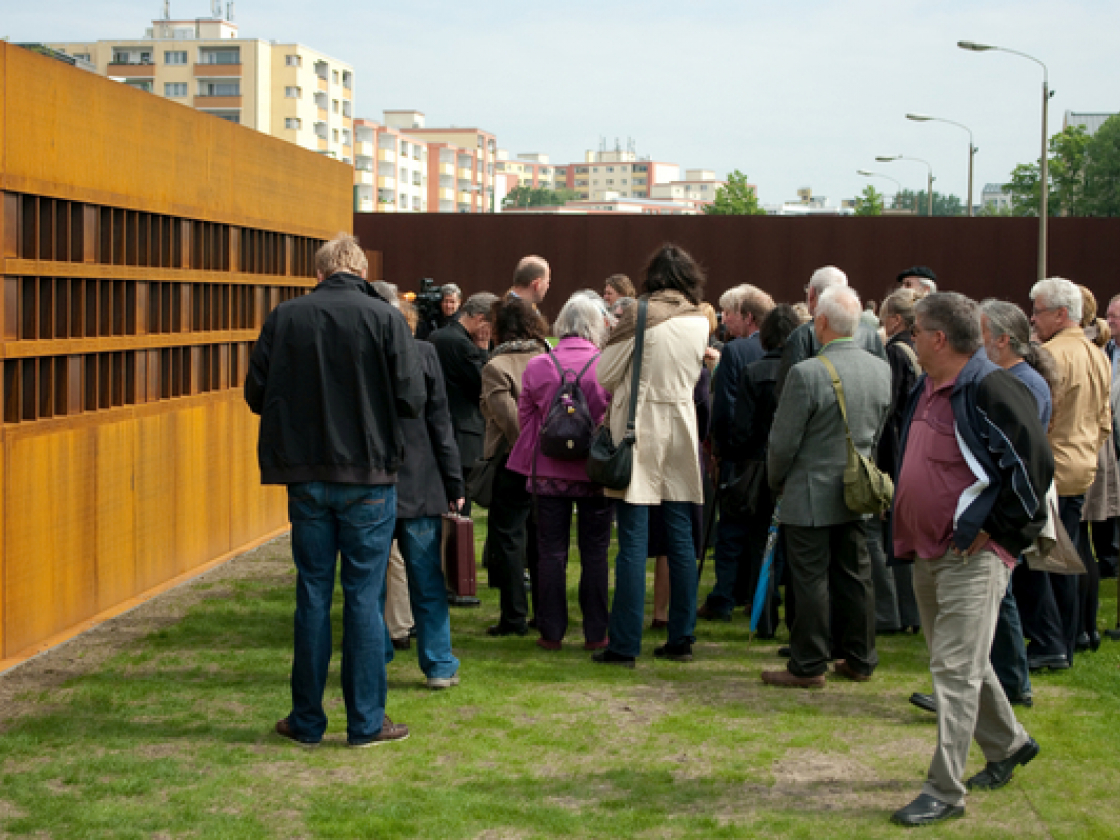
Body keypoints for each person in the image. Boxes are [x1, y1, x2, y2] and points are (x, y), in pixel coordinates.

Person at [245, 233, 424, 748]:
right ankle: (366, 722)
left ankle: (307, 719)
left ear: (319, 272)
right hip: (368, 476)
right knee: (364, 600)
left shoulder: (286, 317)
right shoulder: (386, 318)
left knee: (313, 594)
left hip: (306, 474)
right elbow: (411, 398)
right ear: (362, 272)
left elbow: (256, 393)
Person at [890, 292, 1052, 827]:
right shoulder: (928, 384)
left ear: (940, 338)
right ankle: (1008, 744)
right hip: (930, 550)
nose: (909, 337)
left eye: (916, 330)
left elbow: (1034, 470)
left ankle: (945, 791)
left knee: (954, 672)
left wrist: (995, 530)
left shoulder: (989, 388)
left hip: (972, 559)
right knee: (964, 663)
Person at [909, 299, 1055, 717]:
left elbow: (1028, 463)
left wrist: (996, 526)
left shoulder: (1006, 384)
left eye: (981, 337)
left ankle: (1009, 686)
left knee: (996, 609)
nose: (974, 345)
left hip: (990, 531)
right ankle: (1007, 729)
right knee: (980, 628)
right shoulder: (972, 382)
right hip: (966, 530)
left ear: (1003, 341)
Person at [761, 286, 891, 689]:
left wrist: (776, 481)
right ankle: (860, 658)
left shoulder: (807, 373)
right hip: (858, 489)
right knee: (855, 575)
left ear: (820, 322)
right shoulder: (880, 370)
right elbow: (878, 430)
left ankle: (808, 663)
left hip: (809, 492)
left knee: (811, 579)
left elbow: (782, 444)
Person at [593, 243, 710, 667]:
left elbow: (605, 375)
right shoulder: (700, 320)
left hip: (639, 429)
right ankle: (681, 635)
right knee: (680, 539)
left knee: (633, 541)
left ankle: (624, 644)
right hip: (680, 427)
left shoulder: (640, 316)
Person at [507, 293, 613, 651]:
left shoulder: (539, 365)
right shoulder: (606, 365)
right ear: (596, 326)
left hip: (548, 471)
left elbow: (525, 419)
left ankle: (551, 631)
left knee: (551, 551)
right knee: (595, 552)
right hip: (594, 472)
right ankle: (596, 632)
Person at [1028, 276, 1110, 668]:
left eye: (1038, 312)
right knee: (1073, 552)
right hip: (1083, 463)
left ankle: (1053, 641)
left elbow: (1040, 417)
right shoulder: (1098, 352)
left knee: (1049, 559)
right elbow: (1105, 420)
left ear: (1062, 314)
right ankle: (1073, 632)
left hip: (1054, 466)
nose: (1033, 319)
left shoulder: (1052, 355)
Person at [390, 299, 466, 689]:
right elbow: (441, 423)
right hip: (420, 485)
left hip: (375, 486)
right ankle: (437, 663)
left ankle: (374, 656)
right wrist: (455, 484)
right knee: (427, 580)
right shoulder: (424, 355)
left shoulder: (365, 357)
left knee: (369, 583)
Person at [722, 304, 802, 636]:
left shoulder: (754, 372)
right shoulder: (805, 371)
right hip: (794, 467)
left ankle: (765, 616)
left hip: (758, 466)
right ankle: (791, 618)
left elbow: (741, 430)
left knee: (760, 542)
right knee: (793, 544)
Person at [698, 284, 774, 621]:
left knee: (730, 530)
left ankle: (724, 597)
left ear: (749, 317)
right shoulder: (787, 351)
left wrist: (721, 449)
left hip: (740, 457)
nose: (724, 319)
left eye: (730, 313)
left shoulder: (736, 352)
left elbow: (726, 408)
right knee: (761, 532)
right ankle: (755, 596)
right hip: (773, 455)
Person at [481, 298, 550, 636]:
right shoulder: (547, 357)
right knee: (540, 537)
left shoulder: (496, 366)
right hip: (549, 460)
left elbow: (510, 421)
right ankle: (545, 612)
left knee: (509, 538)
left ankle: (513, 616)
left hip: (513, 461)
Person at [873, 288, 924, 635]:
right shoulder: (917, 352)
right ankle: (911, 612)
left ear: (894, 319)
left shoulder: (895, 353)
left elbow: (888, 409)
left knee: (894, 536)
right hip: (914, 449)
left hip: (896, 451)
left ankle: (901, 612)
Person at [429, 292, 499, 509]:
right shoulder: (465, 347)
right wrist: (484, 350)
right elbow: (483, 385)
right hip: (465, 434)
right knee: (461, 506)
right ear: (480, 319)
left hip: (436, 425)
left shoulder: (435, 337)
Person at [775, 266, 886, 401]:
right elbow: (885, 388)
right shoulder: (871, 335)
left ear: (811, 294)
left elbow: (787, 396)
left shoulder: (801, 336)